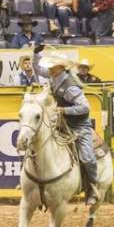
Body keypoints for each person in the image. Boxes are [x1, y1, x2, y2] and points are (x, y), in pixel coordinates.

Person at [33, 48, 100, 206]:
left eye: (51, 65)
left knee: (87, 158)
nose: (48, 68)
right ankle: (35, 184)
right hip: (61, 122)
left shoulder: (71, 86)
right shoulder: (54, 75)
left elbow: (85, 107)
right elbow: (38, 69)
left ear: (60, 68)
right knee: (38, 143)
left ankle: (92, 188)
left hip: (79, 126)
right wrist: (36, 54)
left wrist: (64, 110)